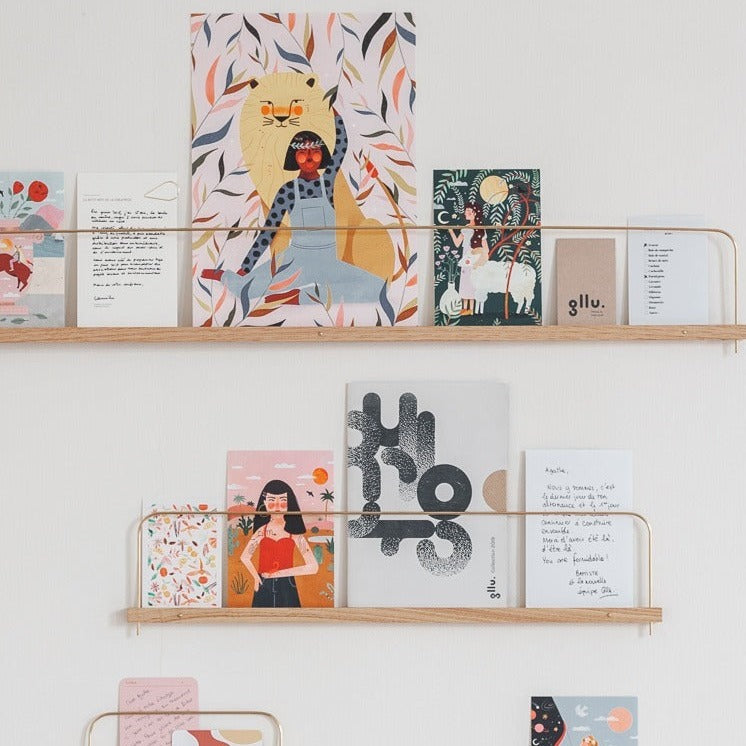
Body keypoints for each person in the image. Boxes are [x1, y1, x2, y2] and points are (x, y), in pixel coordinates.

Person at [202, 111, 383, 314]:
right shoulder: (287, 191)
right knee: (245, 289)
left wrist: (336, 116)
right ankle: (222, 276)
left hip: (329, 264)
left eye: (315, 152)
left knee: (378, 288)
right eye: (302, 153)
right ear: (294, 157)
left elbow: (341, 147)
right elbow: (269, 231)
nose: (309, 157)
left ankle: (299, 296)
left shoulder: (327, 183)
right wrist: (246, 268)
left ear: (322, 154)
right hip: (294, 263)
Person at [240, 479, 318, 607]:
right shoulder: (261, 531)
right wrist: (256, 577)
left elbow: (313, 567)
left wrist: (281, 573)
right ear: (265, 503)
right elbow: (244, 557)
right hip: (263, 583)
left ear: (289, 503)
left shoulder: (294, 532)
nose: (277, 506)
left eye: (282, 501)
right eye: (272, 501)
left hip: (287, 584)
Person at [449, 202, 488, 315]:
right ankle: (464, 308)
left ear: (475, 214)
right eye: (466, 211)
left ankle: (471, 309)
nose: (466, 213)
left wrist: (482, 259)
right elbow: (457, 243)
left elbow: (485, 248)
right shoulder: (465, 229)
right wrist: (451, 232)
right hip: (465, 259)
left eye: (469, 212)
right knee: (465, 281)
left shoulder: (481, 229)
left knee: (473, 282)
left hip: (475, 259)